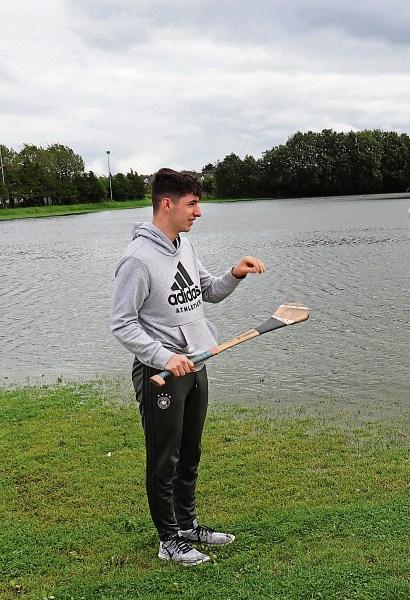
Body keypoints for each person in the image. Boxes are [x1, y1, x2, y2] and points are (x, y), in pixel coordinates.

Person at [110, 168, 266, 564]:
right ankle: (168, 540)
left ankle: (187, 524)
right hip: (161, 373)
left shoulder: (183, 245)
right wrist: (165, 357)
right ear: (168, 204)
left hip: (197, 363)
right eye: (192, 204)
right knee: (165, 457)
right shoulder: (137, 260)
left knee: (190, 451)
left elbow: (206, 292)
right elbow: (122, 323)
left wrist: (235, 274)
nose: (198, 212)